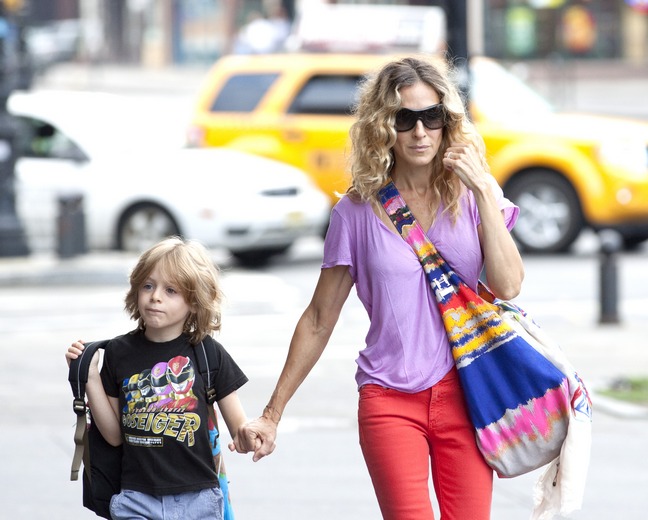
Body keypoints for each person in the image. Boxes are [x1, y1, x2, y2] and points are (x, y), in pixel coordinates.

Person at [230, 55, 525, 520]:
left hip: (468, 392)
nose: (421, 132)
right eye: (405, 120)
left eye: (432, 117)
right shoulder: (356, 212)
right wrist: (272, 412)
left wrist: (486, 191)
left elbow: (508, 285)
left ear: (448, 123)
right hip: (390, 398)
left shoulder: (474, 196)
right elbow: (319, 318)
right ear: (383, 126)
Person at [65, 237, 249, 520]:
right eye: (148, 286)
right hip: (136, 499)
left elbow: (240, 427)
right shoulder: (118, 353)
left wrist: (250, 436)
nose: (155, 296)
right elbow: (114, 436)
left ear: (194, 301)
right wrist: (89, 377)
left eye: (171, 290)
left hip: (198, 500)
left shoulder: (208, 353)